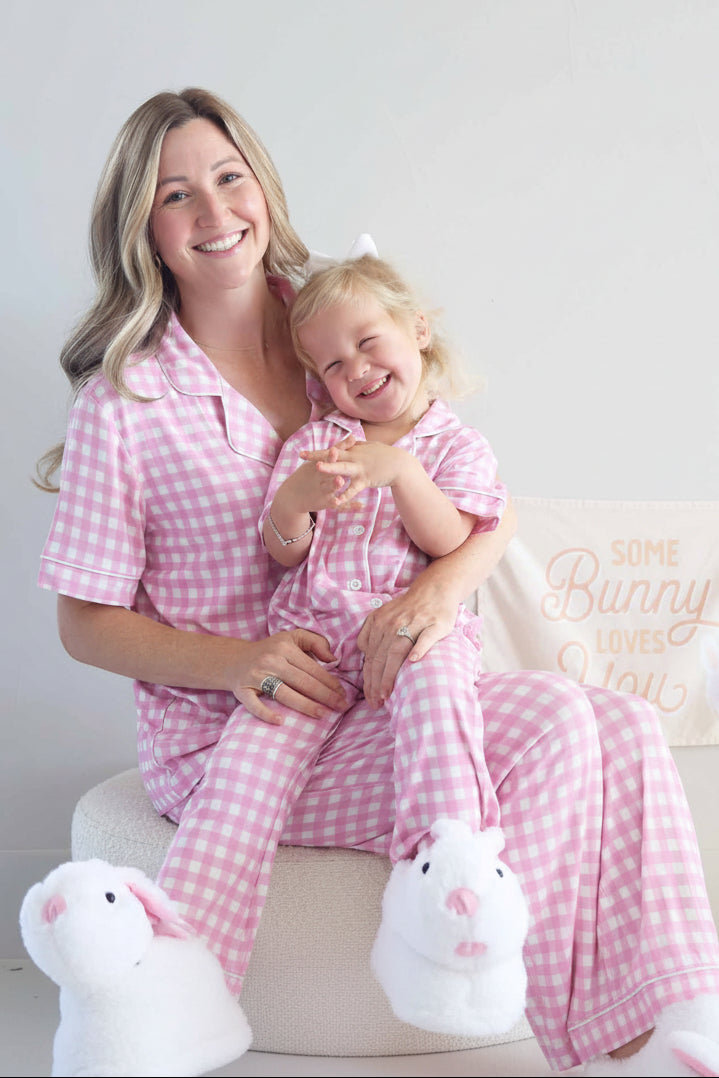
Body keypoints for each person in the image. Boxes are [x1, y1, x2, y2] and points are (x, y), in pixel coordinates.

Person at [36, 86, 719, 1074]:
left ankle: (672, 1029)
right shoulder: (126, 400)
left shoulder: (332, 327)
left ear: (262, 186)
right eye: (176, 194)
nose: (215, 212)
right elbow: (84, 624)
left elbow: (478, 494)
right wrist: (240, 663)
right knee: (568, 724)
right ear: (141, 224)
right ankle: (572, 1024)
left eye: (229, 178)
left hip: (383, 683)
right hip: (241, 727)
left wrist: (440, 592)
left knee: (616, 717)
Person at [261, 249, 527, 1029]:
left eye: (369, 342)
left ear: (417, 329)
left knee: (439, 688)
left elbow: (451, 545)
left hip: (415, 627)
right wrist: (294, 503)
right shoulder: (321, 440)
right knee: (270, 740)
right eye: (334, 364)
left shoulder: (456, 448)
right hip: (317, 640)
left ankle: (442, 862)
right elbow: (280, 550)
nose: (358, 371)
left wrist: (400, 471)